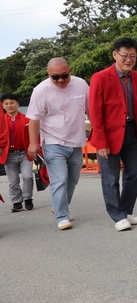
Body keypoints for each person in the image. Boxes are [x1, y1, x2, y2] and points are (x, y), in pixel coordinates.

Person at [89, 38, 137, 231]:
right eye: (125, 55)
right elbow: (95, 111)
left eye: (133, 56)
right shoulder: (100, 77)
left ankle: (126, 211)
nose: (129, 59)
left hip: (131, 132)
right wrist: (101, 140)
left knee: (135, 172)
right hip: (108, 134)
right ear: (115, 55)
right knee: (110, 177)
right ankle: (117, 215)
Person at [27, 58, 89, 231]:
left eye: (64, 75)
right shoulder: (41, 90)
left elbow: (91, 108)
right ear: (48, 74)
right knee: (59, 180)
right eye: (55, 77)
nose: (60, 80)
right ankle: (62, 216)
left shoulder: (81, 84)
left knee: (73, 180)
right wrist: (33, 143)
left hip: (76, 141)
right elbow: (34, 118)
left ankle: (58, 205)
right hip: (53, 142)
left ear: (70, 70)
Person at [1, 93, 34, 212]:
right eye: (6, 103)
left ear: (17, 104)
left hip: (25, 153)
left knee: (27, 176)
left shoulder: (27, 118)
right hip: (9, 154)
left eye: (12, 103)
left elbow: (34, 135)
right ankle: (16, 202)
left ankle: (28, 199)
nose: (9, 105)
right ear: (3, 106)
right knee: (13, 180)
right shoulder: (1, 121)